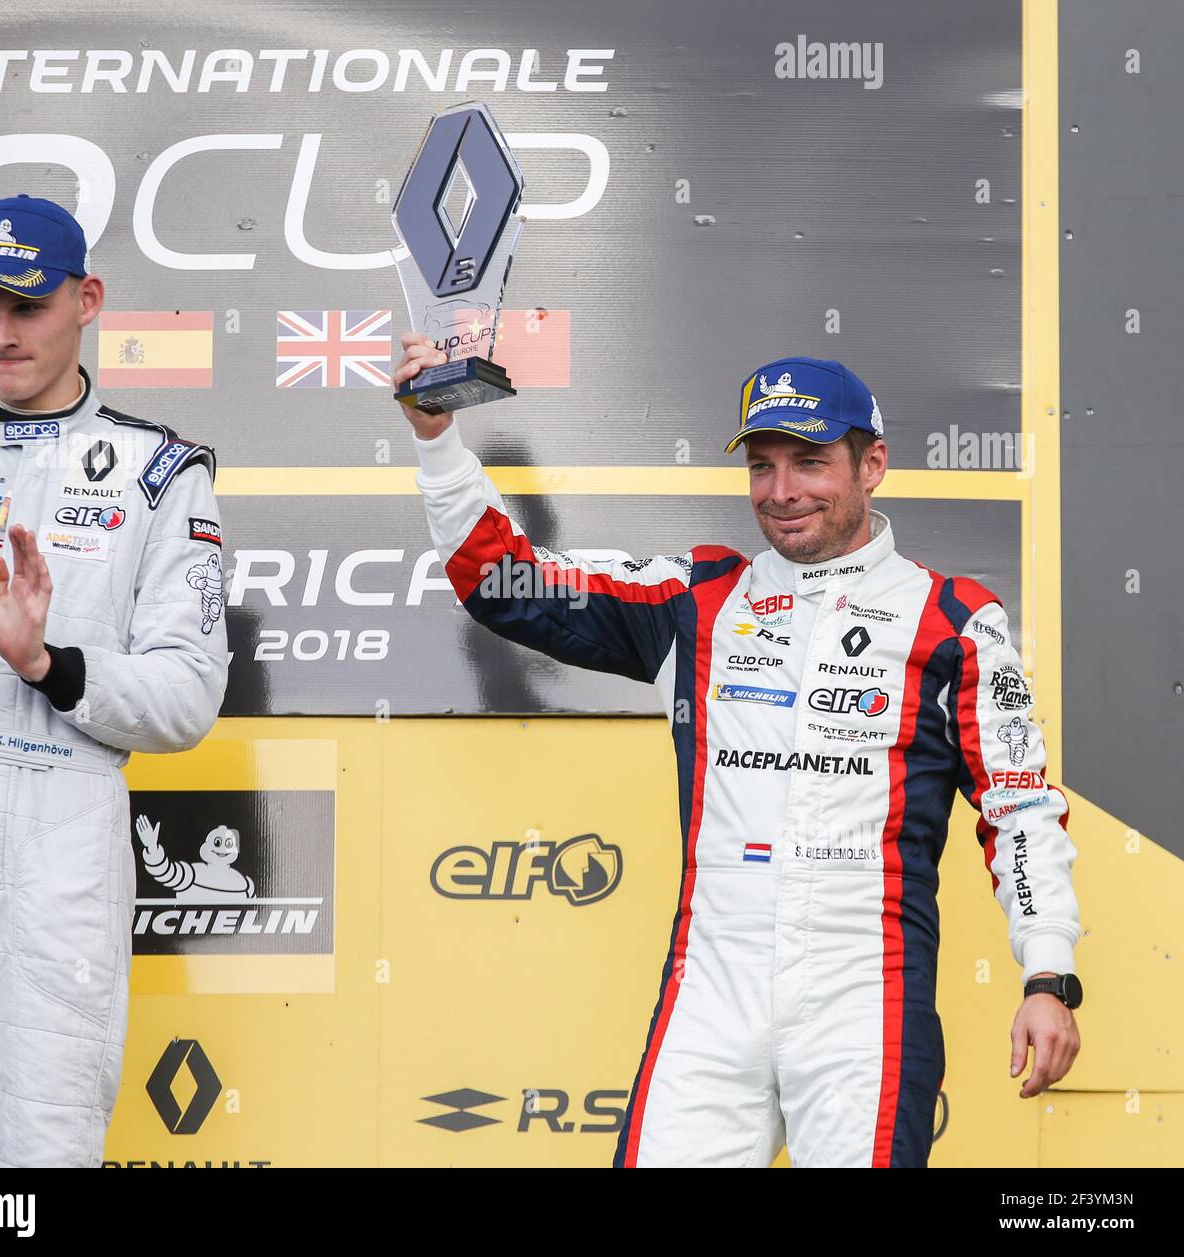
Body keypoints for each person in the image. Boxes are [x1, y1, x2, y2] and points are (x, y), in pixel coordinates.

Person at [395, 336, 1081, 1168]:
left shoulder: (954, 620)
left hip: (866, 1003)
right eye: (762, 465)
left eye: (809, 461)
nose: (782, 492)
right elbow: (505, 583)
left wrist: (1047, 974)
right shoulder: (697, 600)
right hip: (709, 998)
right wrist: (437, 437)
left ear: (873, 465)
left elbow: (1019, 808)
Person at [0, 194, 229, 1167]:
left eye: (25, 309)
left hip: (60, 810)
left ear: (88, 300)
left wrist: (49, 665)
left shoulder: (161, 474)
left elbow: (185, 699)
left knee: (51, 1140)